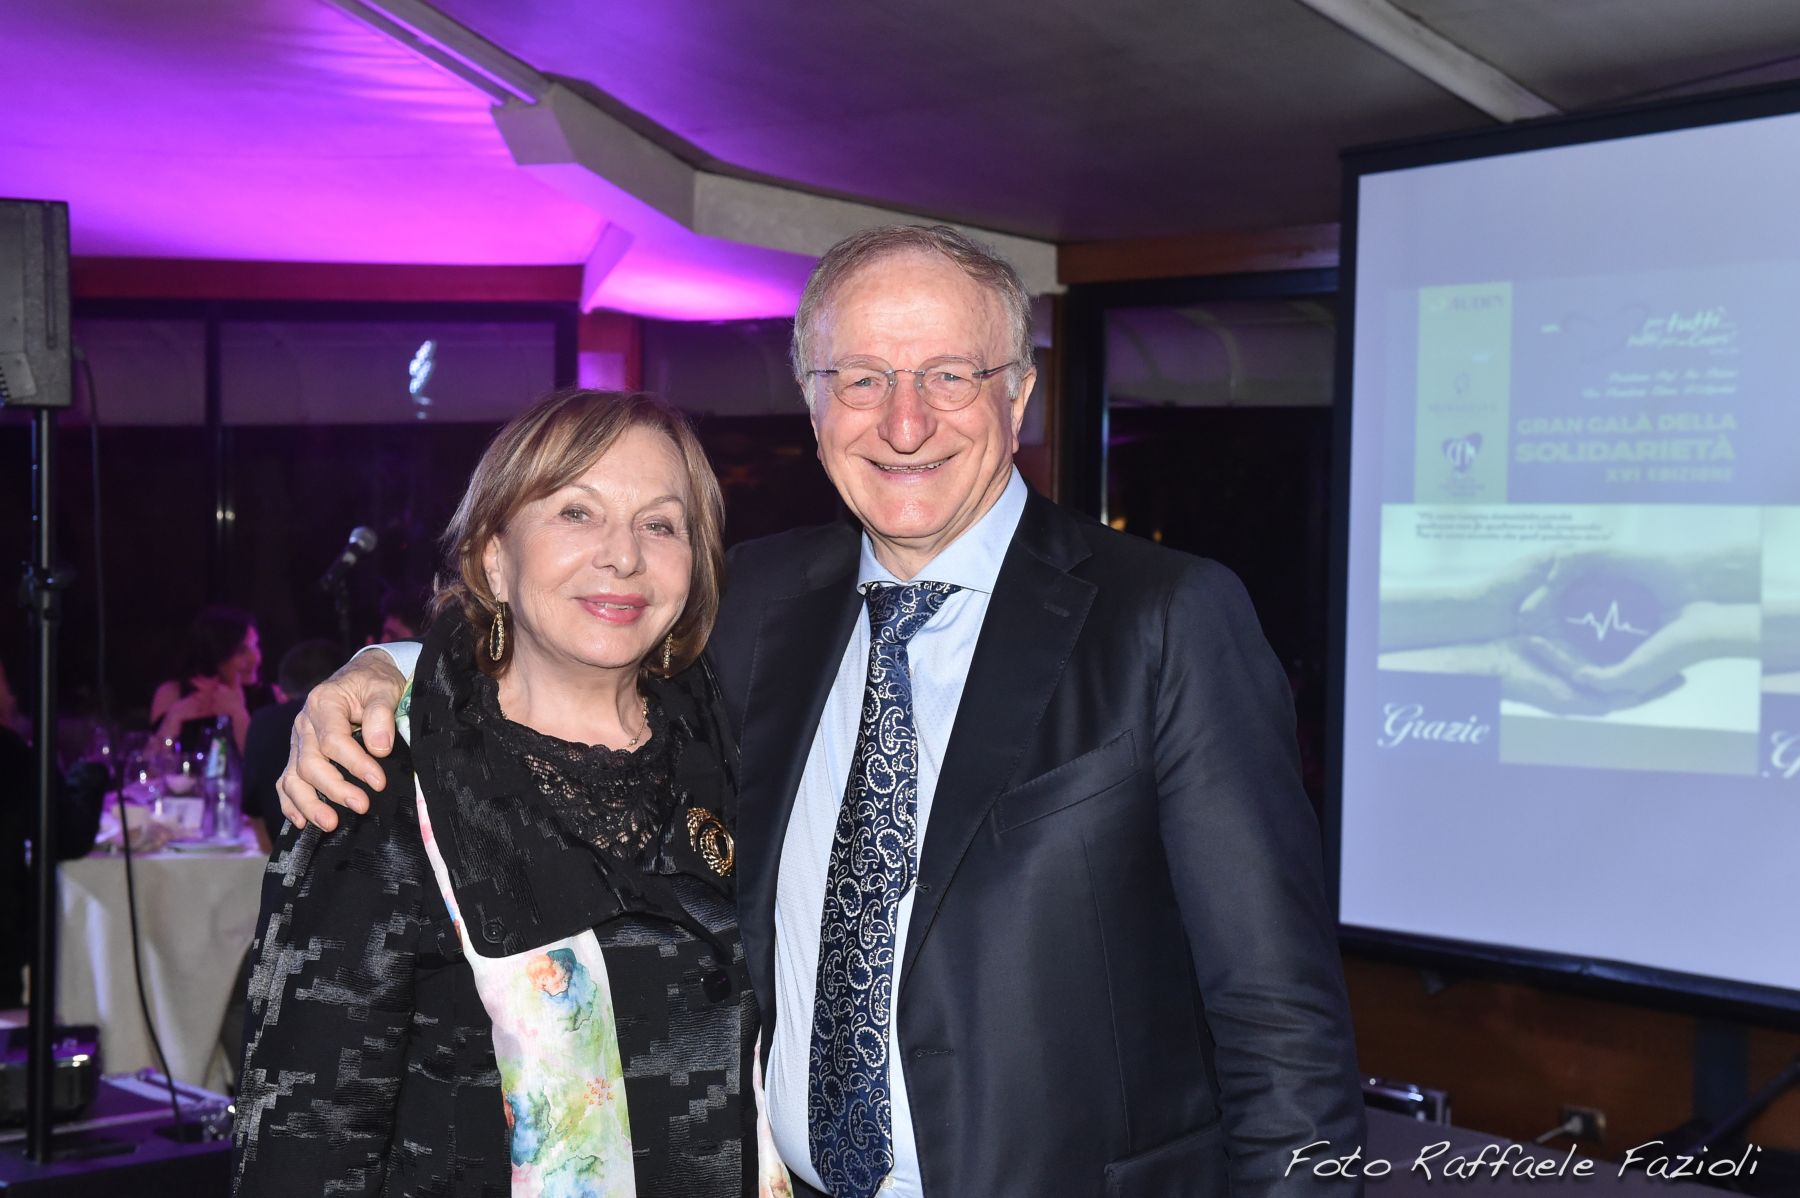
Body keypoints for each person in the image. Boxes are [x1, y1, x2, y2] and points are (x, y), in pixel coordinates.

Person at [281, 226, 1364, 1196]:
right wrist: (386, 671)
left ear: (1020, 395)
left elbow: (1280, 1024)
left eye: (950, 374)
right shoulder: (757, 605)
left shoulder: (1166, 619)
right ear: (813, 402)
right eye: (861, 379)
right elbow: (573, 644)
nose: (905, 420)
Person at [235, 390, 779, 1196]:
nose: (623, 556)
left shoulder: (743, 740)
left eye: (661, 525)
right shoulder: (382, 780)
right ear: (494, 555)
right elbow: (302, 1141)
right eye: (576, 513)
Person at [240, 638, 342, 848]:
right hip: (351, 852)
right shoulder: (350, 717)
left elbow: (252, 808)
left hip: (287, 853)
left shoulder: (263, 721)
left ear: (283, 690)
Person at [150, 606, 262, 753]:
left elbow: (265, 763)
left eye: (255, 646)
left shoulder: (271, 696)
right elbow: (150, 764)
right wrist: (174, 717)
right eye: (241, 651)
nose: (255, 658)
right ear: (215, 655)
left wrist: (238, 713)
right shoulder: (172, 694)